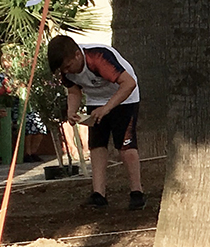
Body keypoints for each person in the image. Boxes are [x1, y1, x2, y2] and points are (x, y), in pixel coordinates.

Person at [47, 33, 146, 211]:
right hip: (96, 99)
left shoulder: (98, 57)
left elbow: (129, 83)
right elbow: (74, 91)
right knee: (97, 144)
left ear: (78, 55)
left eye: (68, 66)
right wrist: (71, 111)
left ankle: (137, 192)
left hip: (125, 97)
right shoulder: (66, 70)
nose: (67, 71)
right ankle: (98, 194)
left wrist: (107, 108)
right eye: (63, 69)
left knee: (125, 144)